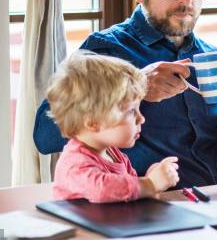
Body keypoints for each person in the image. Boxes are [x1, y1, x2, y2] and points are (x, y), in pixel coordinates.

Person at [34, 0, 217, 188]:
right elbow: (44, 136)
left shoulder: (213, 57)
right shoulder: (105, 51)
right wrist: (136, 86)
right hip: (148, 208)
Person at [48, 51, 179, 203]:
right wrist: (149, 184)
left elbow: (127, 194)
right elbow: (102, 189)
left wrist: (152, 179)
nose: (141, 118)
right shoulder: (74, 164)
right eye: (131, 111)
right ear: (93, 122)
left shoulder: (114, 154)